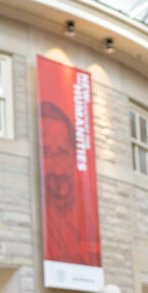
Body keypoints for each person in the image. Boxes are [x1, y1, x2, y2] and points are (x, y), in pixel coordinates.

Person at [39, 100, 101, 267]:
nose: (56, 168)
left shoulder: (88, 204)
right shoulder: (38, 209)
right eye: (46, 152)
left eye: (61, 153)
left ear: (74, 156)